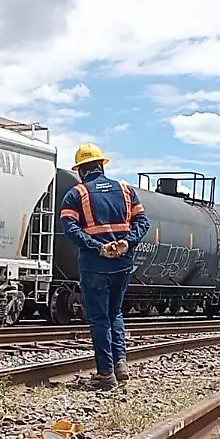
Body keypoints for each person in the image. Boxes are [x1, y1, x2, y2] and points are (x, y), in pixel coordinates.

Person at [59, 143, 150, 390]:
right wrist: (126, 242)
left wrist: (96, 246)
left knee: (99, 318)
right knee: (115, 313)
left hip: (94, 264)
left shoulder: (76, 194)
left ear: (80, 170)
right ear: (101, 165)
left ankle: (105, 373)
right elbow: (143, 222)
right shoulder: (125, 190)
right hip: (122, 263)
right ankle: (121, 364)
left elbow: (70, 228)